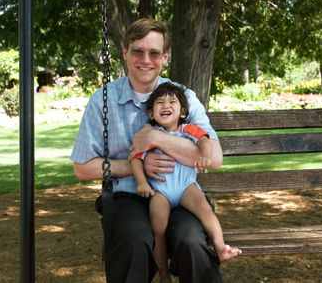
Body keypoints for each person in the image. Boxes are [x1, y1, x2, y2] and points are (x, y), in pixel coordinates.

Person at [71, 18, 225, 283]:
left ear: (164, 57)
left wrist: (156, 137)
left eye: (154, 53)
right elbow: (82, 167)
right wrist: (134, 166)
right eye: (138, 51)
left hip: (177, 194)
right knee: (135, 240)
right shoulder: (103, 100)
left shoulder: (182, 97)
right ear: (125, 53)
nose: (146, 60)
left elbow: (214, 158)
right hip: (128, 196)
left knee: (191, 242)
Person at [131, 82, 241, 283]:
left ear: (182, 112)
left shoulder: (187, 130)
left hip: (186, 187)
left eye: (172, 102)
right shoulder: (148, 135)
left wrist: (204, 157)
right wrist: (142, 183)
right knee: (159, 230)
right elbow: (136, 158)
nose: (166, 105)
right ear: (150, 113)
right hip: (160, 192)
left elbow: (205, 140)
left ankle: (220, 246)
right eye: (160, 102)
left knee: (204, 209)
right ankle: (164, 274)